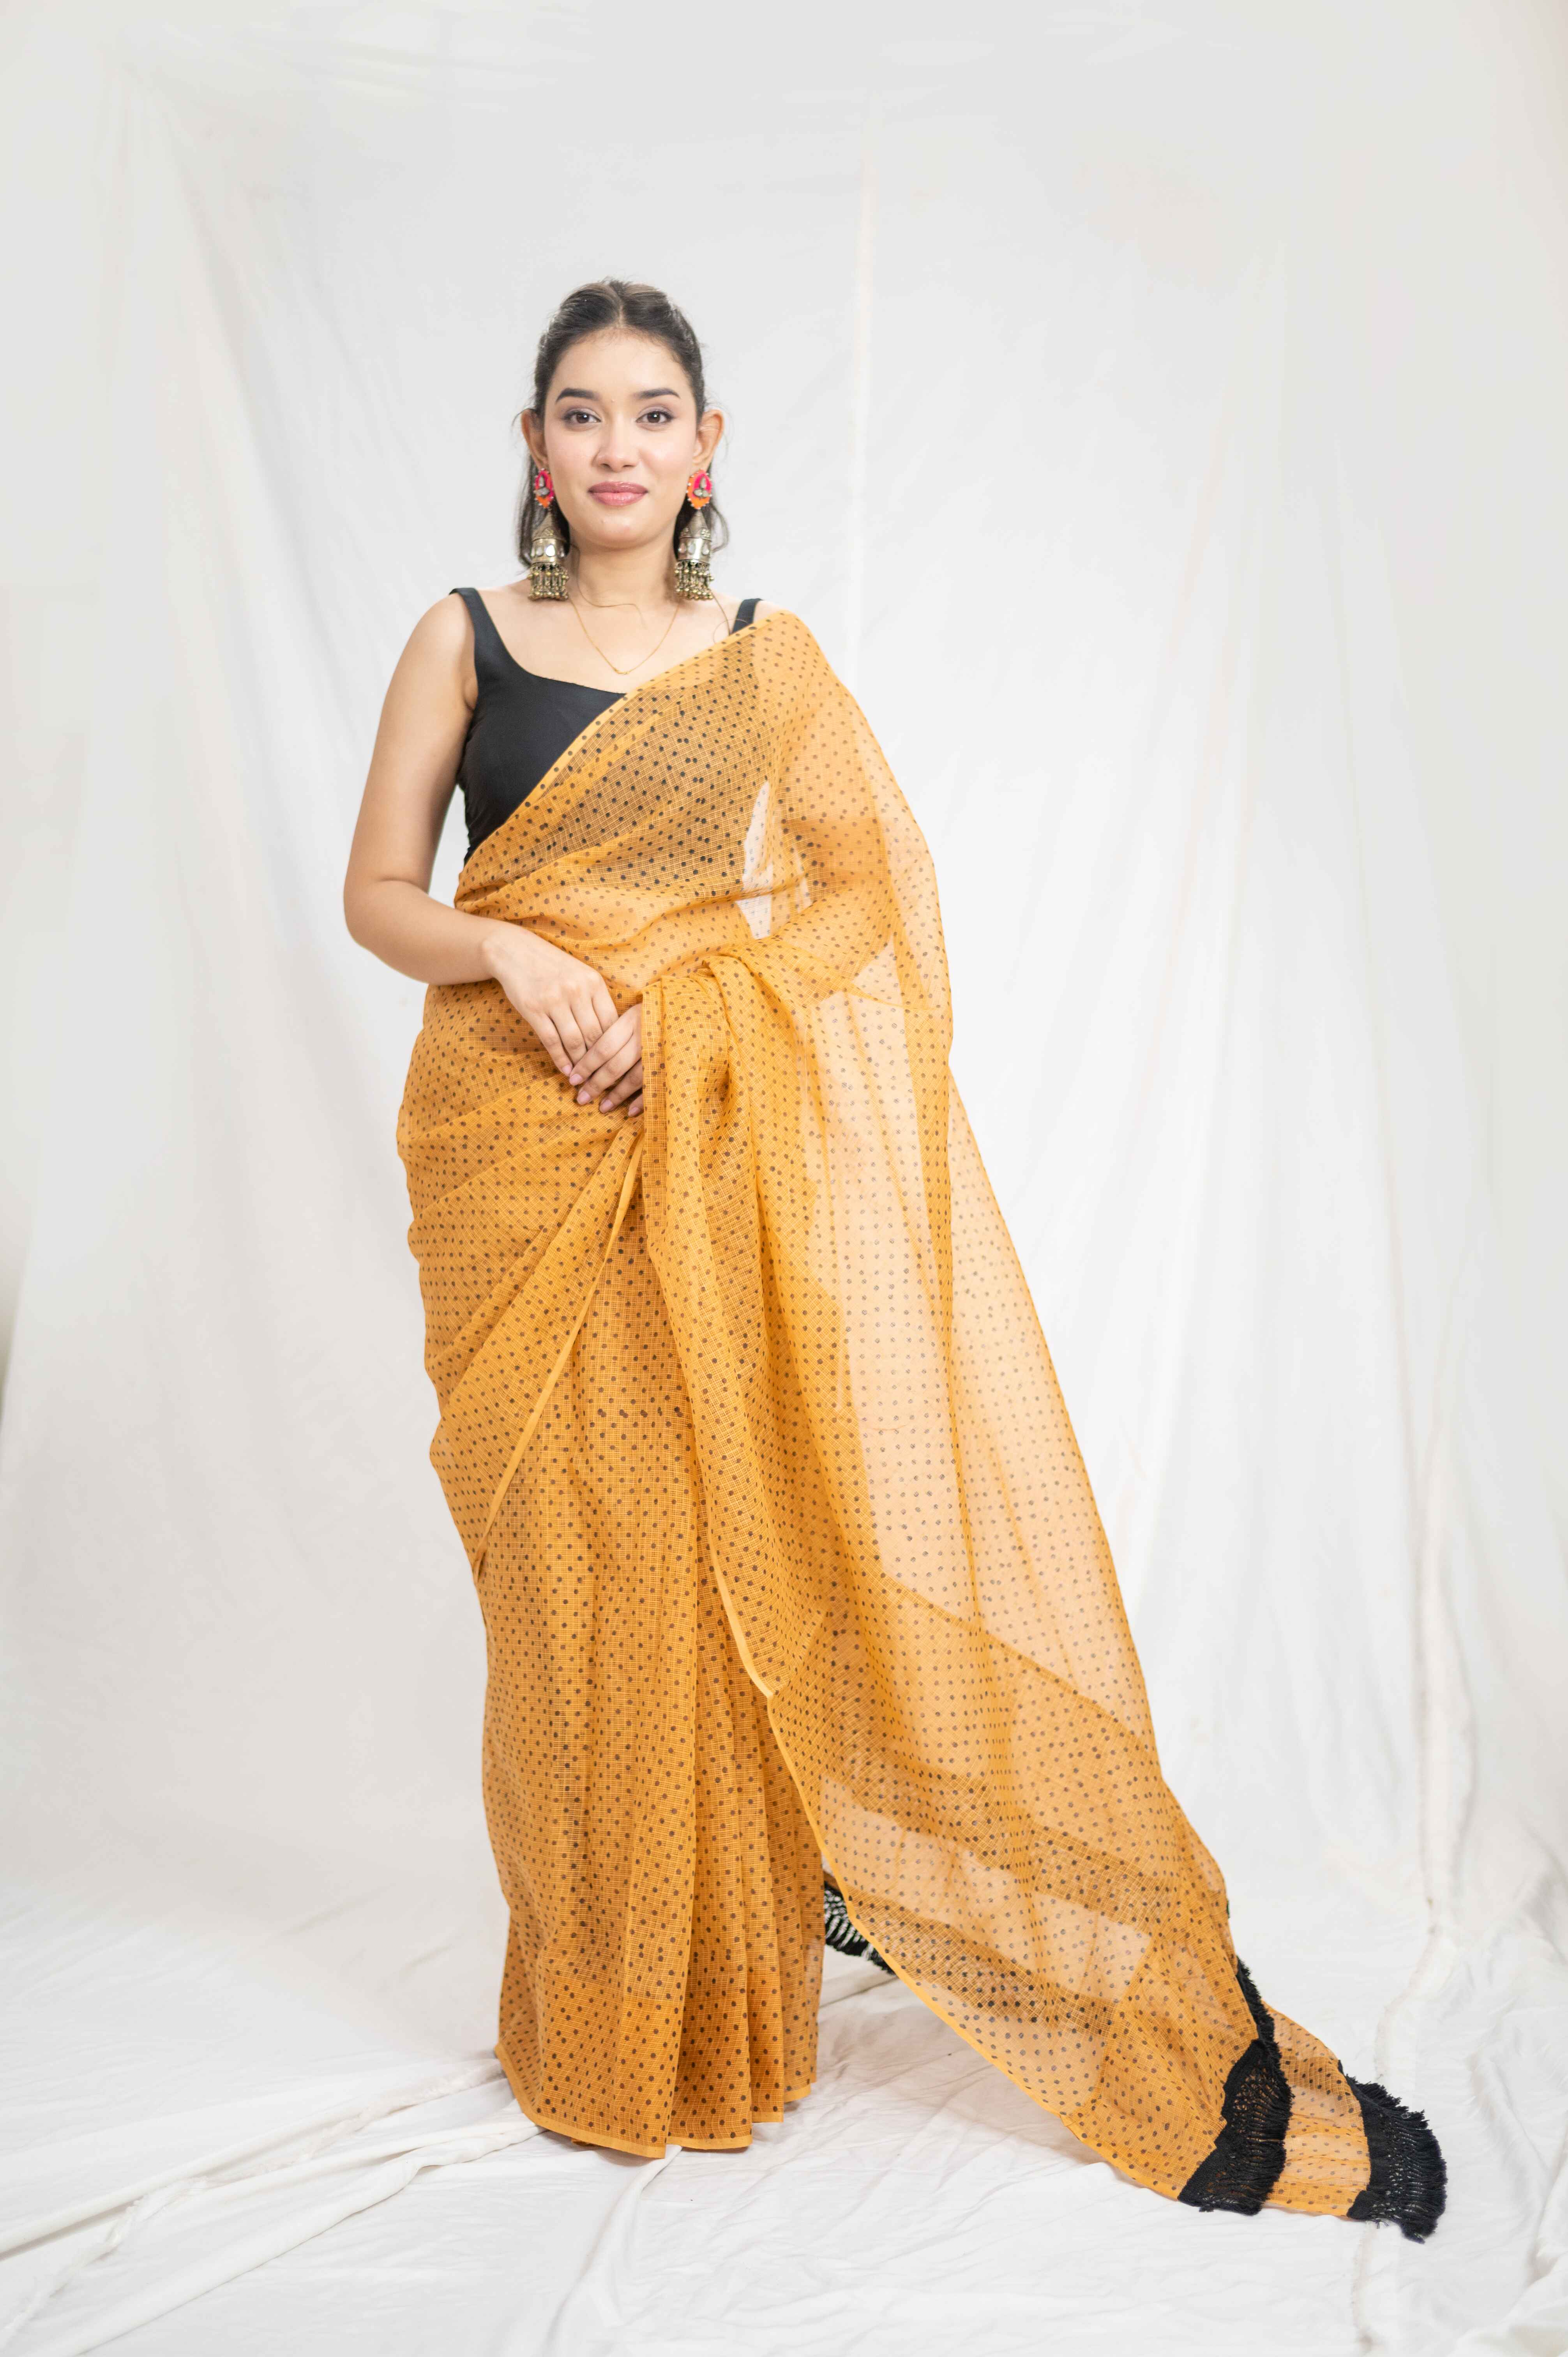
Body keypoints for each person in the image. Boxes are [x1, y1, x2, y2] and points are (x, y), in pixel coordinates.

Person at [343, 278, 1445, 2237]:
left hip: (703, 1155)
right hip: (513, 1155)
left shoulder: (764, 665)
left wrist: (704, 1008)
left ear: (705, 451)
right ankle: (597, 2012)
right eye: (581, 413)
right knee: (572, 1594)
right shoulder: (462, 636)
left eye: (652, 413)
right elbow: (376, 896)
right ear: (534, 447)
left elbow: (872, 892)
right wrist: (509, 945)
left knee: (713, 1568)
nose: (616, 446)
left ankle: (730, 2009)